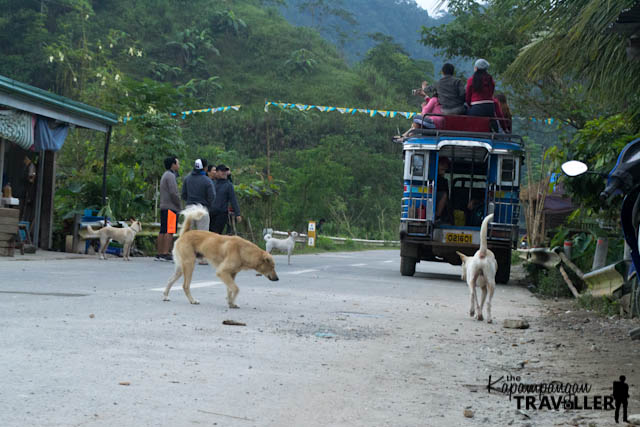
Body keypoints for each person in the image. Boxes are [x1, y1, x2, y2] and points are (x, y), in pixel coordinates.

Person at [156, 156, 181, 261]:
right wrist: (178, 204)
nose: (178, 165)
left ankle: (160, 252)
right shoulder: (171, 176)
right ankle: (166, 253)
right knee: (169, 230)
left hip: (163, 206)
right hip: (171, 207)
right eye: (177, 163)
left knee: (163, 230)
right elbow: (173, 193)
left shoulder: (165, 175)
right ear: (173, 164)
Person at [181, 158, 216, 232]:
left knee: (187, 234)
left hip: (189, 209)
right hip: (202, 209)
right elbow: (212, 196)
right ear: (205, 168)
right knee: (203, 236)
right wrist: (208, 205)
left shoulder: (187, 179)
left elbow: (183, 194)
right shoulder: (207, 180)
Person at [210, 164, 241, 234]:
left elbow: (233, 200)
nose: (224, 173)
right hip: (210, 213)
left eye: (225, 171)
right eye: (222, 171)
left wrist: (238, 213)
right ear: (217, 172)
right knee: (209, 234)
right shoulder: (211, 183)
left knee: (216, 234)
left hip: (221, 214)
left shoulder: (228, 185)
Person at [20, 154, 37, 225]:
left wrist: (29, 178)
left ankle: (24, 220)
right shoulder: (27, 166)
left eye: (25, 159)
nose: (24, 161)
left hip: (29, 187)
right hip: (25, 187)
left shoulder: (31, 166)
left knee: (26, 204)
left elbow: (32, 177)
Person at [435, 156, 451, 223]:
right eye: (442, 164)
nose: (444, 167)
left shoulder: (444, 181)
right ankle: (437, 216)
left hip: (441, 202)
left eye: (445, 165)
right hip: (433, 197)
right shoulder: (434, 178)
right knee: (444, 195)